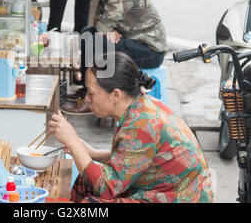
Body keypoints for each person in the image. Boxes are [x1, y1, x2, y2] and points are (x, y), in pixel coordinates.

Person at [48, 52, 213, 203]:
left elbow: (105, 190)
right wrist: (93, 154)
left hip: (182, 197)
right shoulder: (141, 105)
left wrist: (75, 145)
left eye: (91, 93)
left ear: (116, 95)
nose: (86, 99)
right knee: (86, 179)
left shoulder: (141, 125)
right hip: (167, 188)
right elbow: (134, 159)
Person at [62, 0, 168, 114]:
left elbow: (103, 26)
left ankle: (92, 99)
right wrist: (107, 29)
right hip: (133, 41)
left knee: (96, 42)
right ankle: (86, 89)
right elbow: (97, 23)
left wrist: (107, 29)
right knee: (86, 33)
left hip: (150, 50)